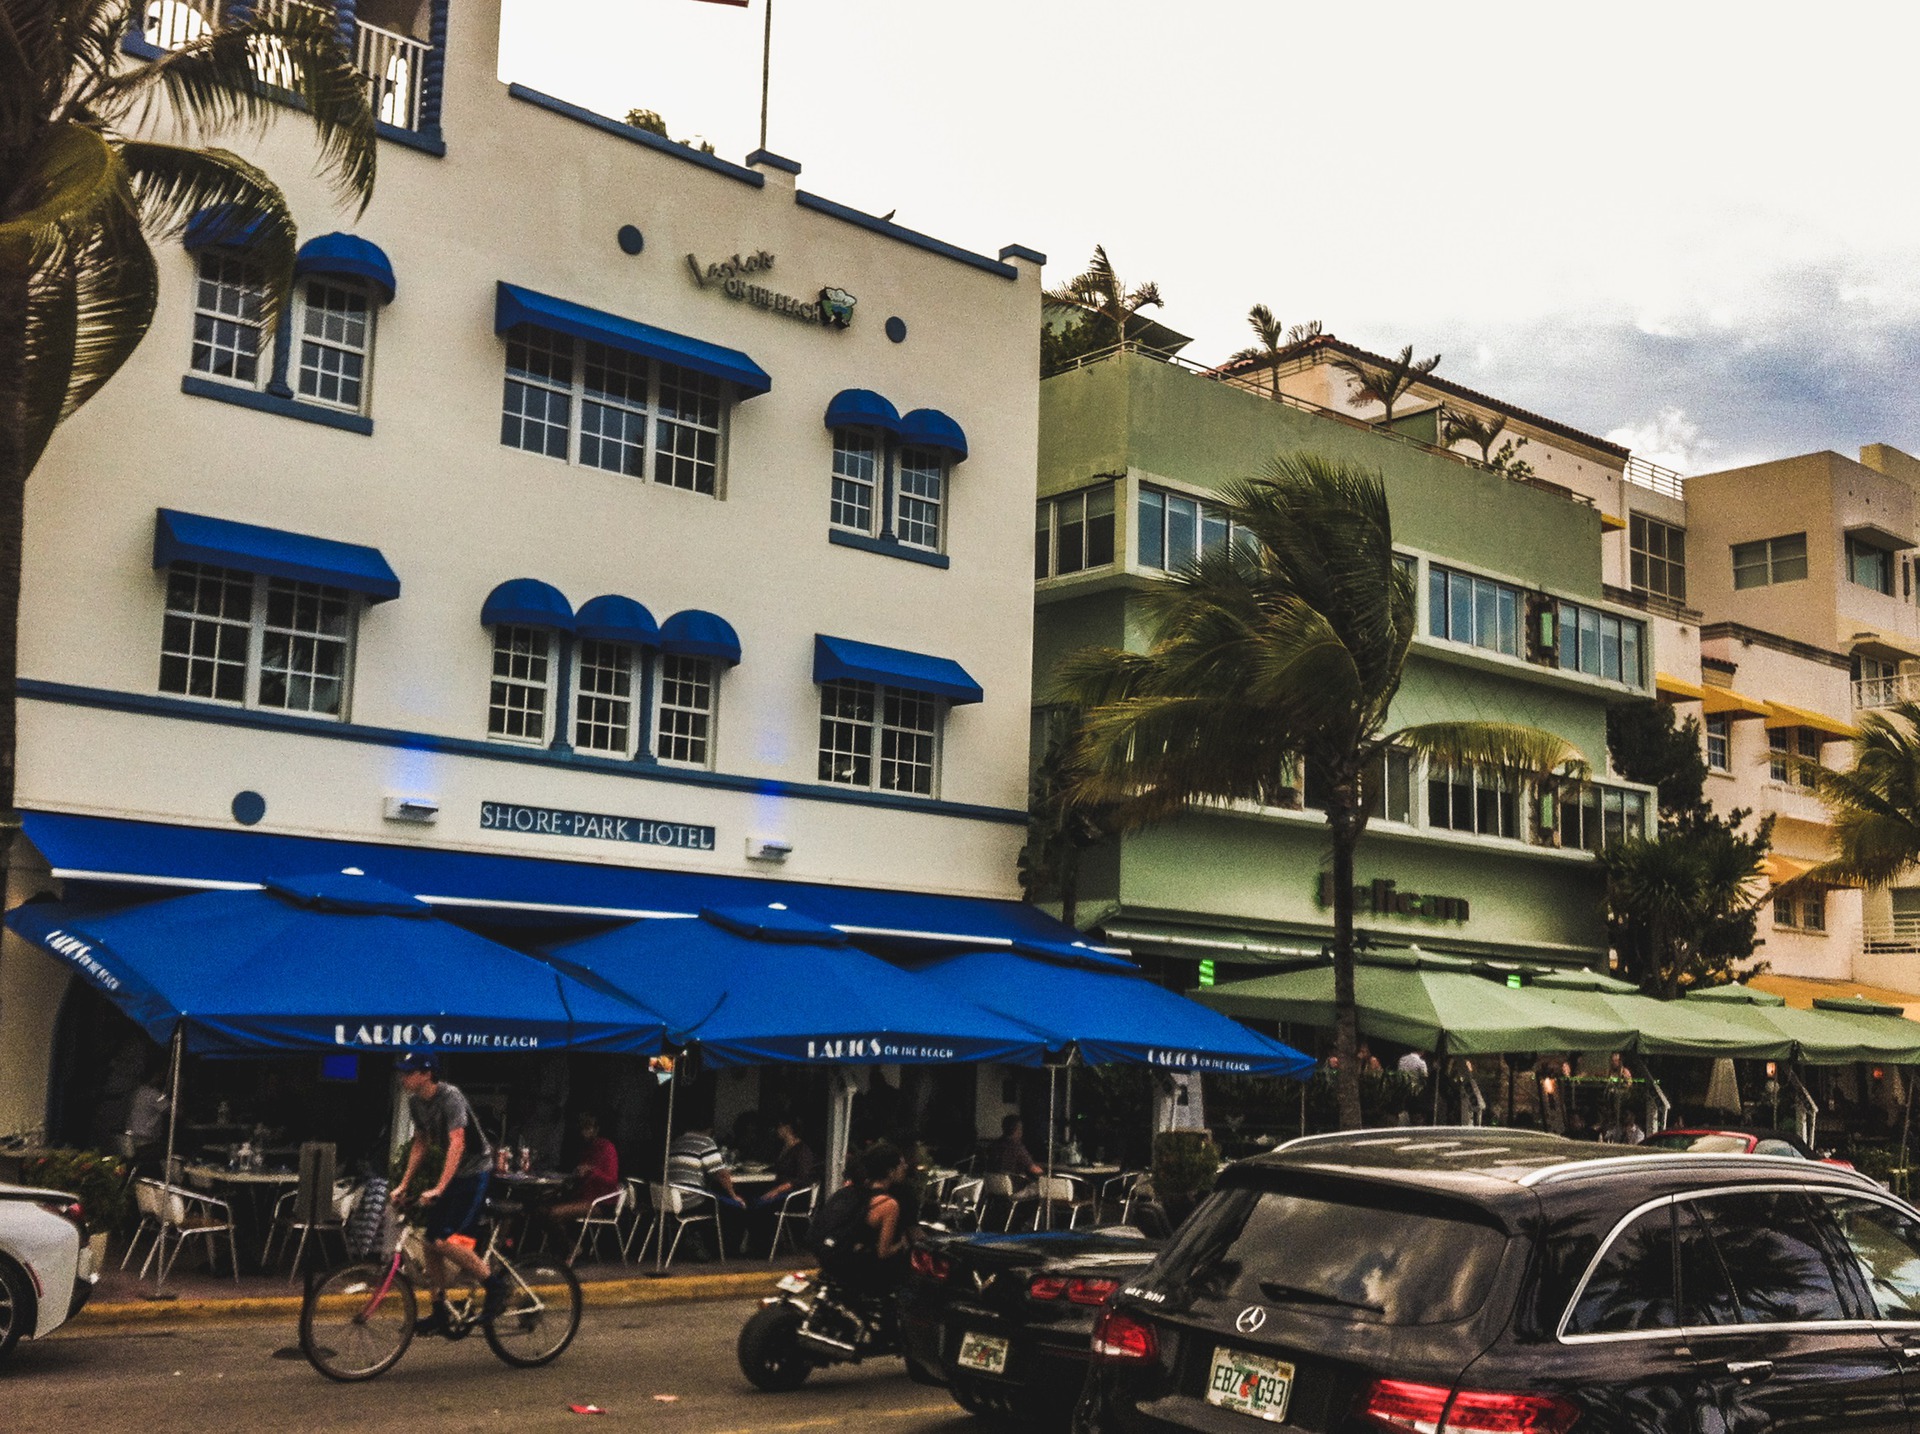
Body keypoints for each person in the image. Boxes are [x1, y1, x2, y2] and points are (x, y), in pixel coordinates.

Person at [393, 1053, 507, 1333]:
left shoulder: (450, 1097)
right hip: (454, 1174)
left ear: (426, 1074)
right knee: (430, 1242)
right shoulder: (415, 1103)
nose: (403, 1077)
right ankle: (440, 1310)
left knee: (446, 1241)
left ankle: (496, 1287)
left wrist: (440, 1188)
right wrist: (404, 1184)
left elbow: (458, 1142)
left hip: (475, 1172)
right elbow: (420, 1143)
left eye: (409, 1072)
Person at [813, 1142, 910, 1297]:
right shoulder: (888, 1204)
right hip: (857, 1269)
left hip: (830, 1258)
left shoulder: (850, 1191)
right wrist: (902, 1244)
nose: (905, 1167)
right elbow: (883, 1252)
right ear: (890, 1171)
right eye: (901, 1164)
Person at [668, 1123, 745, 1257]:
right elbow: (721, 1174)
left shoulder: (676, 1142)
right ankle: (728, 1250)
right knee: (735, 1206)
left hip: (670, 1200)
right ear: (709, 1130)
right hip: (690, 1200)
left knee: (718, 1198)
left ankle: (700, 1240)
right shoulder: (705, 1143)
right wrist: (733, 1195)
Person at [541, 1112, 620, 1244]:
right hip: (582, 1198)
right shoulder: (586, 1148)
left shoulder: (607, 1148)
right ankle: (563, 1246)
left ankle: (570, 1247)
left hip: (601, 1203)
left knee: (553, 1213)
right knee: (541, 1210)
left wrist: (591, 1171)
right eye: (582, 1128)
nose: (584, 1132)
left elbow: (612, 1181)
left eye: (588, 1128)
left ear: (596, 1129)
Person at [748, 1118, 817, 1255]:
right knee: (751, 1199)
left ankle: (766, 1248)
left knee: (763, 1206)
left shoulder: (802, 1151)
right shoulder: (784, 1148)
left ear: (788, 1128)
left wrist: (777, 1190)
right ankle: (757, 1245)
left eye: (780, 1126)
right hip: (781, 1190)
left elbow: (802, 1179)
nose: (777, 1130)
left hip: (795, 1196)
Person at [124, 1069, 170, 1169]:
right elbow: (175, 1112)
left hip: (131, 1139)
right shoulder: (154, 1094)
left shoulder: (137, 1091)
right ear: (155, 1076)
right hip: (146, 1141)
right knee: (170, 1149)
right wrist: (179, 1090)